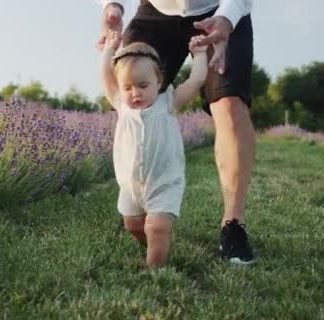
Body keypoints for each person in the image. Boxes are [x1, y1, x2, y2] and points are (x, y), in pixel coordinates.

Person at [97, 0, 256, 264]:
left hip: (219, 9)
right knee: (130, 92)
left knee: (229, 106)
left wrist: (227, 19)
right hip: (156, 11)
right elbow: (110, 83)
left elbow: (194, 81)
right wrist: (111, 5)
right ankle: (139, 205)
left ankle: (233, 225)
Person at [101, 31, 208, 268]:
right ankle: (157, 245)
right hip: (131, 185)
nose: (135, 93)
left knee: (155, 226)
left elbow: (196, 80)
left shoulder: (168, 103)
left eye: (143, 85)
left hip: (164, 181)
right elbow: (105, 78)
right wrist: (109, 49)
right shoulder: (121, 106)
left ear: (159, 81)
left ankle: (154, 271)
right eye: (127, 87)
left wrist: (199, 54)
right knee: (134, 225)